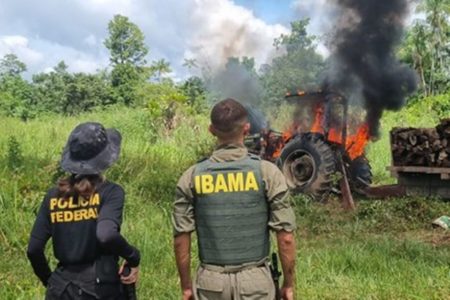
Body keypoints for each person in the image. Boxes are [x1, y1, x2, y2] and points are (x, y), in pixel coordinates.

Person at [173, 99, 297, 300]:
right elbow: (286, 237)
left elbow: (181, 238)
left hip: (211, 284)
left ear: (211, 130)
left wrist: (187, 287)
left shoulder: (191, 176)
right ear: (246, 129)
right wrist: (288, 285)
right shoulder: (268, 173)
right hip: (256, 283)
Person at [27, 122, 140, 300]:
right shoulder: (111, 192)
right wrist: (133, 256)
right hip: (100, 289)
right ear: (105, 159)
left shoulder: (53, 197)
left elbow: (34, 249)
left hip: (61, 288)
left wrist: (50, 281)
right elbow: (106, 234)